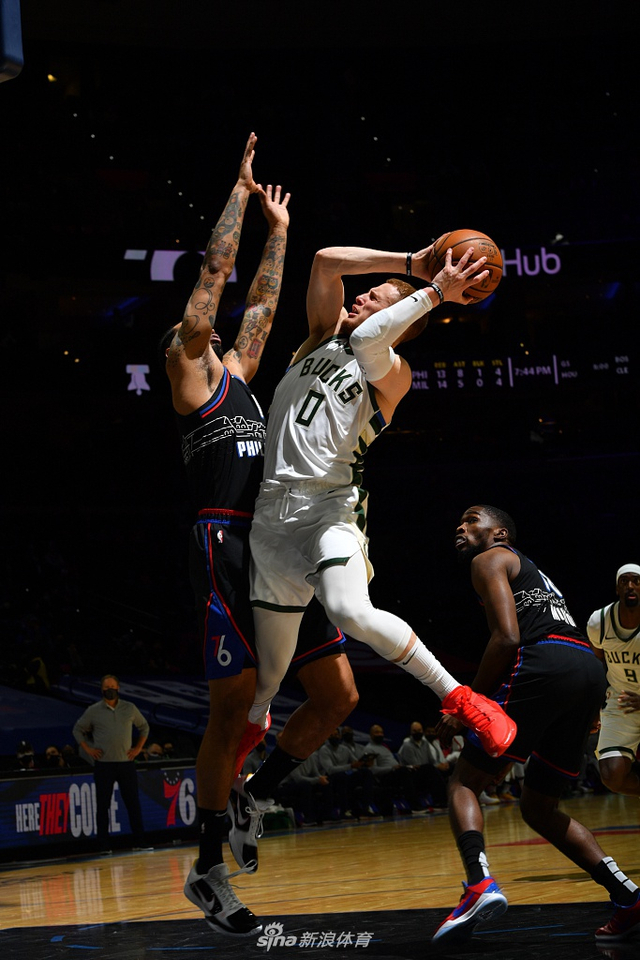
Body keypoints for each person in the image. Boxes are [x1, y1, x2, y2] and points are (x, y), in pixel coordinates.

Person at [162, 134, 358, 937]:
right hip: (226, 544)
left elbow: (265, 310)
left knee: (339, 695)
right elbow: (214, 282)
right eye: (197, 328)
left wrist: (281, 230)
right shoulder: (188, 370)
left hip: (282, 536)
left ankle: (255, 797)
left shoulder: (239, 380)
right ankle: (208, 869)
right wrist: (241, 195)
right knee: (231, 707)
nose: (208, 331)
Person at [246, 242, 517, 766]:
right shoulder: (319, 339)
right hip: (270, 517)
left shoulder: (393, 371)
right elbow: (325, 259)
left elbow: (372, 336)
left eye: (377, 297)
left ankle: (463, 698)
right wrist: (413, 264)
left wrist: (434, 291)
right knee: (269, 678)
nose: (363, 293)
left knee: (350, 610)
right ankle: (246, 776)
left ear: (398, 320)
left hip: (330, 509)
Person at [432, 505, 640, 945]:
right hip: (585, 669)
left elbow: (507, 637)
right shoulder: (534, 574)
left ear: (500, 533)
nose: (461, 526)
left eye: (472, 519)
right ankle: (627, 895)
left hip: (543, 659)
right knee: (538, 807)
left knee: (464, 783)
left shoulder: (488, 559)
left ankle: (477, 884)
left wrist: (463, 704)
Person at [72, 674, 151, 853]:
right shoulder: (93, 710)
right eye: (107, 687)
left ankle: (140, 841)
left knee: (133, 803)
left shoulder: (129, 708)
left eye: (113, 686)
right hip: (104, 765)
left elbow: (144, 727)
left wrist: (138, 748)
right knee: (103, 805)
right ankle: (103, 845)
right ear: (102, 689)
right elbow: (77, 730)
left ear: (118, 688)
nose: (110, 689)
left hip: (126, 763)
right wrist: (88, 750)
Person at [586, 563, 640, 798]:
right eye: (624, 581)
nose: (630, 586)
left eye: (636, 581)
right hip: (621, 702)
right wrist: (594, 708)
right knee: (611, 775)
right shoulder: (599, 622)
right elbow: (597, 665)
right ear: (617, 588)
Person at [317, 727, 375, 818]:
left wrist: (365, 763)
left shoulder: (344, 749)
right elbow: (330, 770)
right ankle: (344, 811)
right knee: (341, 777)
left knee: (366, 772)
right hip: (332, 779)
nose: (334, 737)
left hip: (347, 775)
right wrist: (350, 766)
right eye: (331, 735)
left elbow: (355, 762)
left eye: (336, 735)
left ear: (340, 736)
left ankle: (366, 807)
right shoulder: (324, 750)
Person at [397, 721, 450, 809]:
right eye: (415, 731)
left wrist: (441, 765)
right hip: (413, 774)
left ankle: (442, 801)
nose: (417, 732)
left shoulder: (425, 744)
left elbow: (431, 760)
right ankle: (438, 800)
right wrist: (433, 766)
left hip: (426, 771)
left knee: (443, 770)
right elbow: (415, 764)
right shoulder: (407, 746)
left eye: (419, 730)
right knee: (430, 769)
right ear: (411, 732)